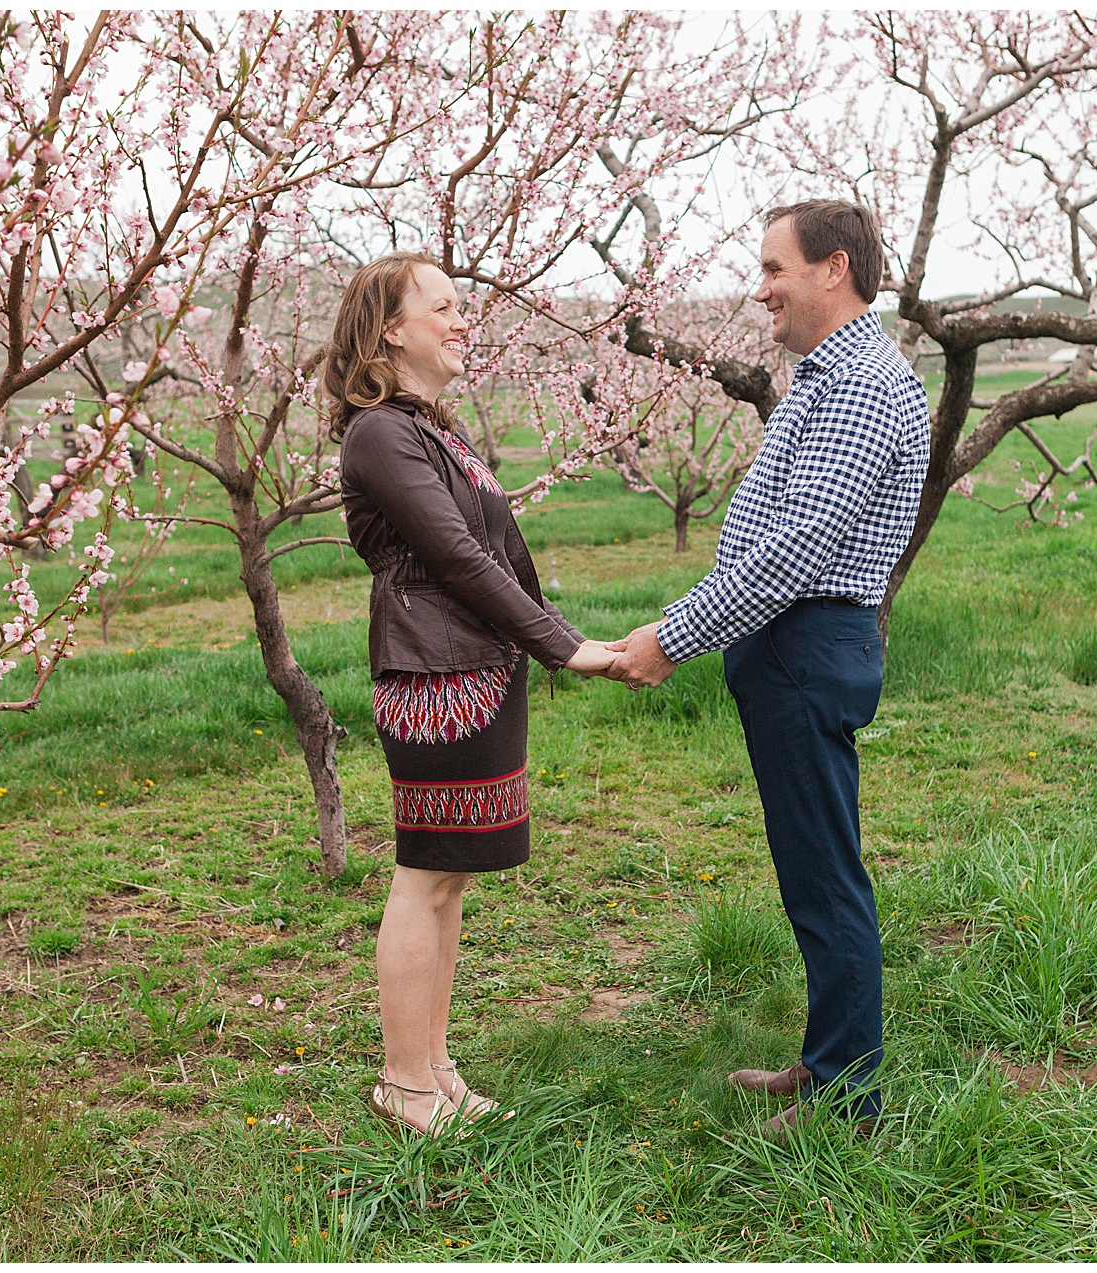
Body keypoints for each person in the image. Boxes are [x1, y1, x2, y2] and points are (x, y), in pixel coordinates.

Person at [607, 201, 931, 1143]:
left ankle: (846, 1100)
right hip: (793, 645)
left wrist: (674, 637)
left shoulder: (863, 385)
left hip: (805, 644)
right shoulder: (830, 379)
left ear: (834, 269)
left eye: (774, 268)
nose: (761, 289)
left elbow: (794, 551)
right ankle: (831, 1059)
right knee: (813, 870)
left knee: (826, 878)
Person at [328, 253, 620, 1136]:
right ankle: (403, 1080)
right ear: (390, 328)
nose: (464, 320)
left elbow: (498, 554)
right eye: (445, 307)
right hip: (436, 679)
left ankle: (433, 1063)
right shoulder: (379, 433)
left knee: (449, 878)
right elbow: (457, 557)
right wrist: (566, 645)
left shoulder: (430, 429)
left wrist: (549, 636)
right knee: (422, 876)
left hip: (476, 671)